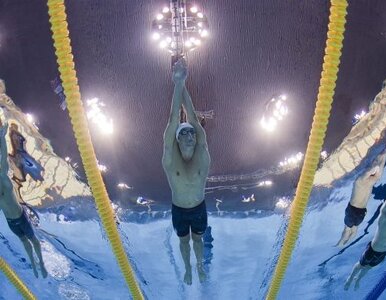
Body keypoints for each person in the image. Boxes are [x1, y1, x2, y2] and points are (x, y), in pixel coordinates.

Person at [162, 58, 211, 285]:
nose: (190, 135)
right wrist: (178, 84)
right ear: (176, 140)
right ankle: (188, 269)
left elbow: (192, 118)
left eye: (192, 133)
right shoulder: (170, 159)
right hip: (180, 210)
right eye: (184, 134)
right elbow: (175, 119)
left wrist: (183, 83)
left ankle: (199, 265)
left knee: (198, 242)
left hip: (199, 208)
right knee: (183, 242)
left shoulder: (202, 153)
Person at [0, 119, 47, 278]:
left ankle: (41, 263)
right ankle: (33, 264)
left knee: (33, 240)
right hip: (11, 222)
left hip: (21, 217)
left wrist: (2, 136)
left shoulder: (3, 177)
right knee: (25, 243)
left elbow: (3, 158)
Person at [336, 149, 386, 247]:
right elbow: (376, 167)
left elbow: (375, 167)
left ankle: (340, 245)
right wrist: (381, 158)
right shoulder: (362, 181)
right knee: (352, 229)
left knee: (349, 229)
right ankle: (342, 244)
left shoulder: (362, 181)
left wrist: (381, 157)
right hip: (358, 212)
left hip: (356, 211)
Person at [344, 200, 386, 290]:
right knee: (360, 265)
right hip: (372, 250)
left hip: (382, 254)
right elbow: (384, 210)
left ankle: (358, 279)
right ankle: (350, 278)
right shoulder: (384, 217)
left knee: (368, 268)